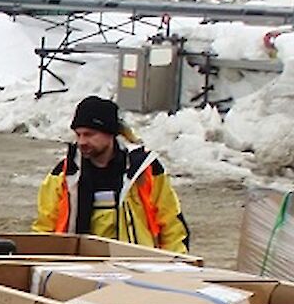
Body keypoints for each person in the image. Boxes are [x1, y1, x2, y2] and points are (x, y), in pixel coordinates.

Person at [32, 96, 190, 253]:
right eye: (78, 134)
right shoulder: (65, 174)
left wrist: (177, 264)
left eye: (89, 134)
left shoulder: (144, 169)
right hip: (80, 266)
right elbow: (45, 227)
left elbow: (171, 224)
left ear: (110, 134)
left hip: (136, 266)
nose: (81, 142)